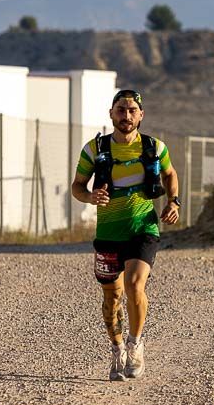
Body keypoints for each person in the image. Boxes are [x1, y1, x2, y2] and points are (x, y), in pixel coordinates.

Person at [71, 89, 179, 381]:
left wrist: (173, 201)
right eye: (121, 110)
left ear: (141, 115)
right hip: (108, 232)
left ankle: (136, 344)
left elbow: (169, 174)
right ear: (111, 114)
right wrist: (91, 197)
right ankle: (117, 348)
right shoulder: (94, 150)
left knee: (134, 285)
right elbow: (77, 186)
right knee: (112, 297)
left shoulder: (155, 147)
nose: (127, 116)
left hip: (143, 227)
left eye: (132, 110)